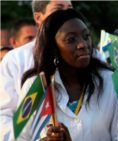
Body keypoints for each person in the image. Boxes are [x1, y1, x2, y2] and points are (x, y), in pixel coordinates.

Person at [10, 9, 118, 141]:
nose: (83, 44)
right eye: (71, 39)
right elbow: (18, 138)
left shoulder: (109, 80)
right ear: (53, 48)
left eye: (86, 36)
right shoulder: (35, 86)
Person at [0, 0, 73, 139]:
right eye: (58, 8)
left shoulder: (89, 55)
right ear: (38, 17)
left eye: (70, 8)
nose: (66, 14)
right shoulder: (15, 59)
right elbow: (5, 113)